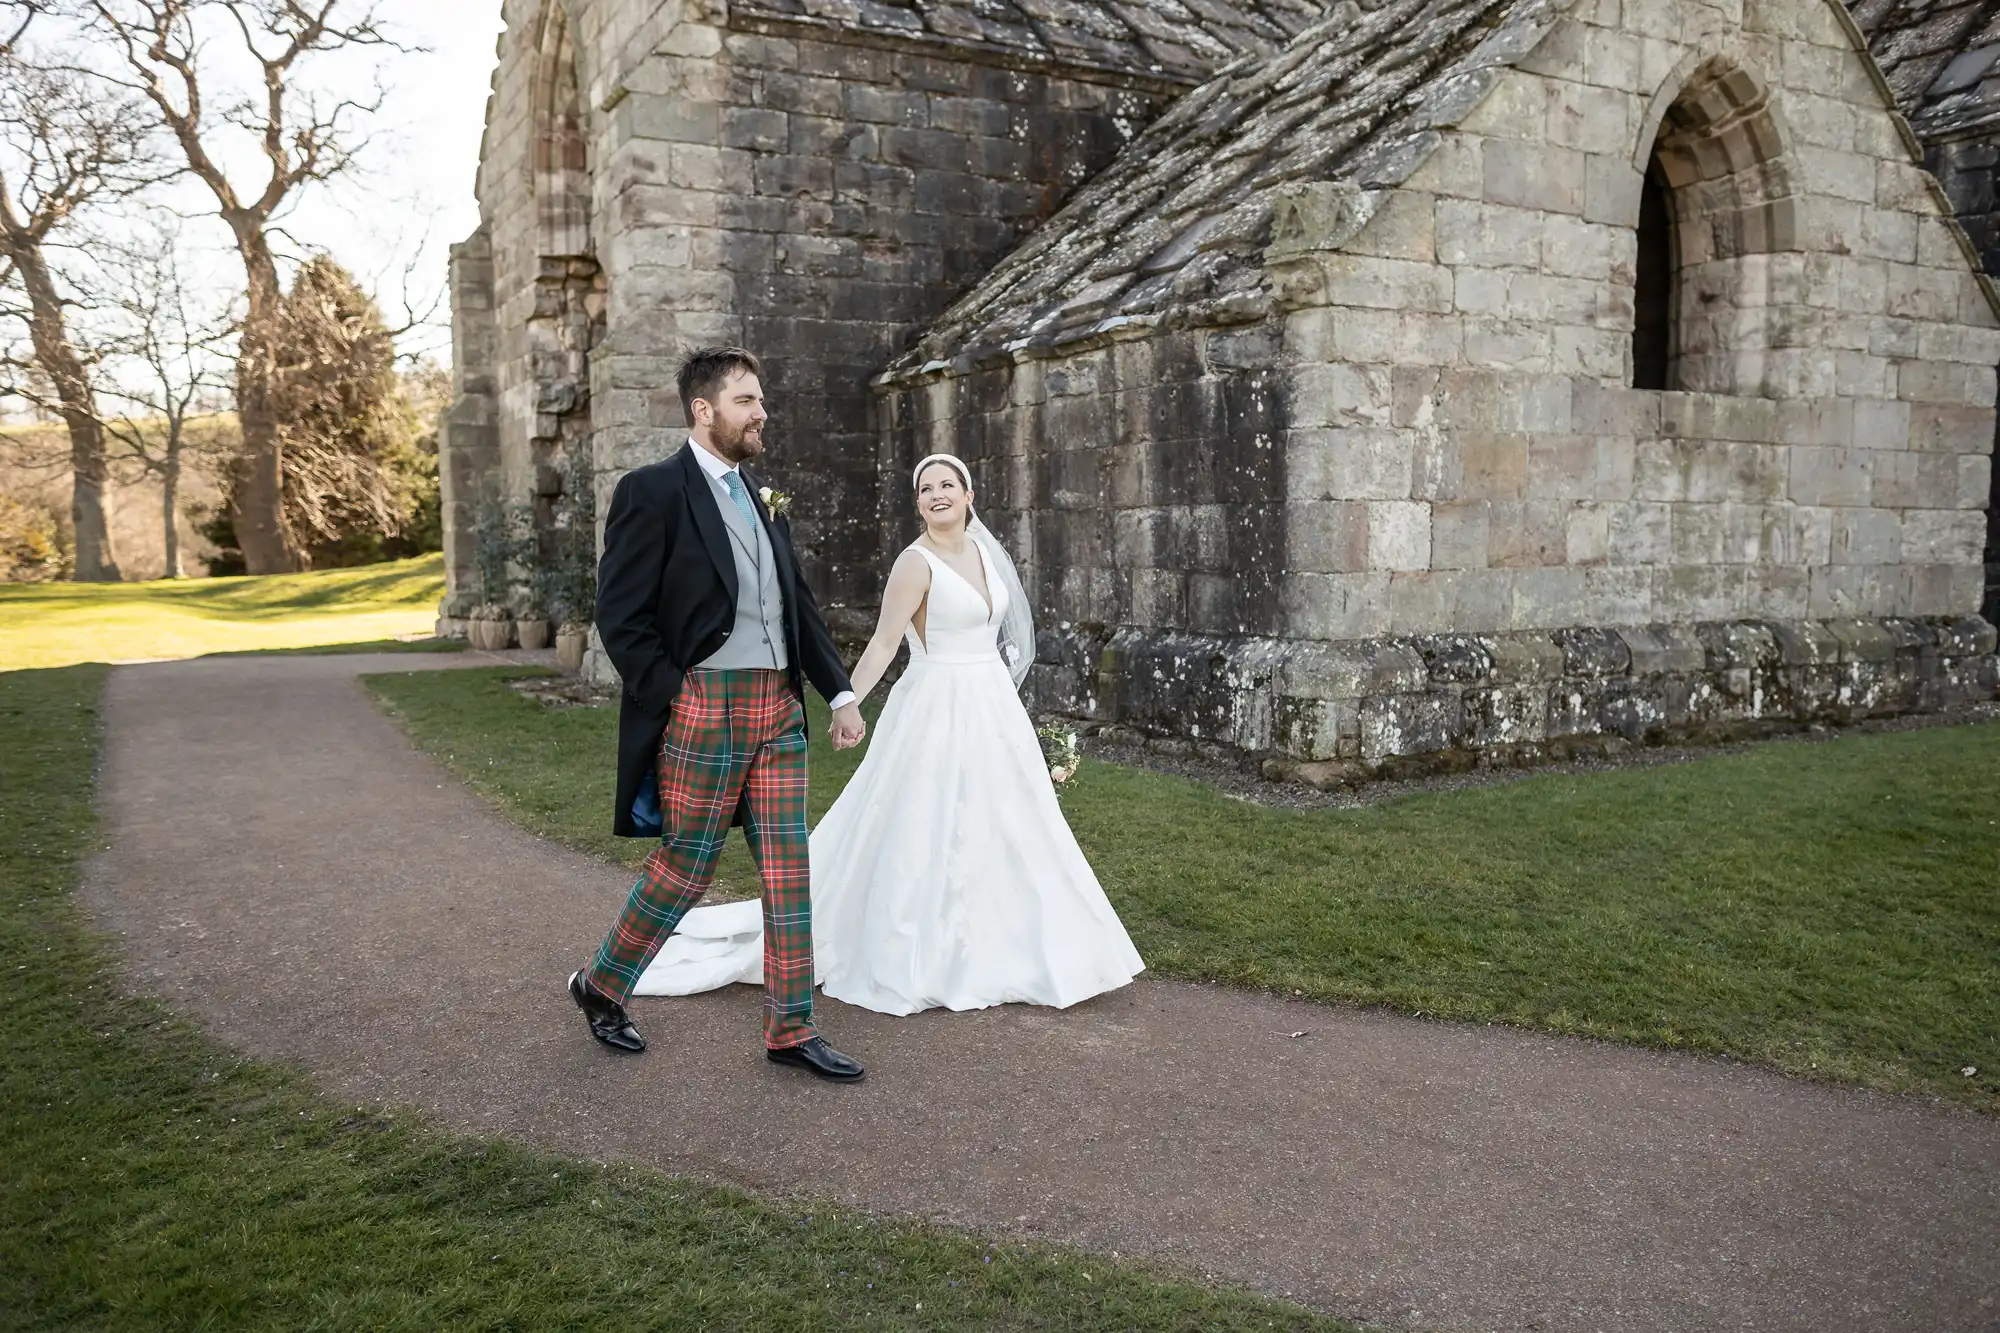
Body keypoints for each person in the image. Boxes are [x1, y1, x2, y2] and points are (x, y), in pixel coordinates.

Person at [635, 452, 1144, 1014]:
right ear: (918, 503)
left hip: (991, 704)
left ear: (969, 495)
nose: (937, 494)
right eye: (926, 489)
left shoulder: (984, 553)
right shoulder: (914, 563)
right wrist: (847, 702)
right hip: (935, 704)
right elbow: (883, 642)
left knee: (1010, 818)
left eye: (948, 485)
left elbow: (1001, 635)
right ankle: (921, 944)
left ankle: (1013, 936)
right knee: (926, 819)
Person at [566, 346, 868, 1082]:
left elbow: (795, 605)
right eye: (746, 401)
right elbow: (619, 612)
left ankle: (791, 1029)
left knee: (790, 868)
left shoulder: (762, 497)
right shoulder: (654, 490)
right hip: (703, 706)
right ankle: (603, 984)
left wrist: (842, 691)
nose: (761, 412)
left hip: (776, 710)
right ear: (704, 410)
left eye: (760, 400)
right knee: (686, 866)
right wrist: (678, 691)